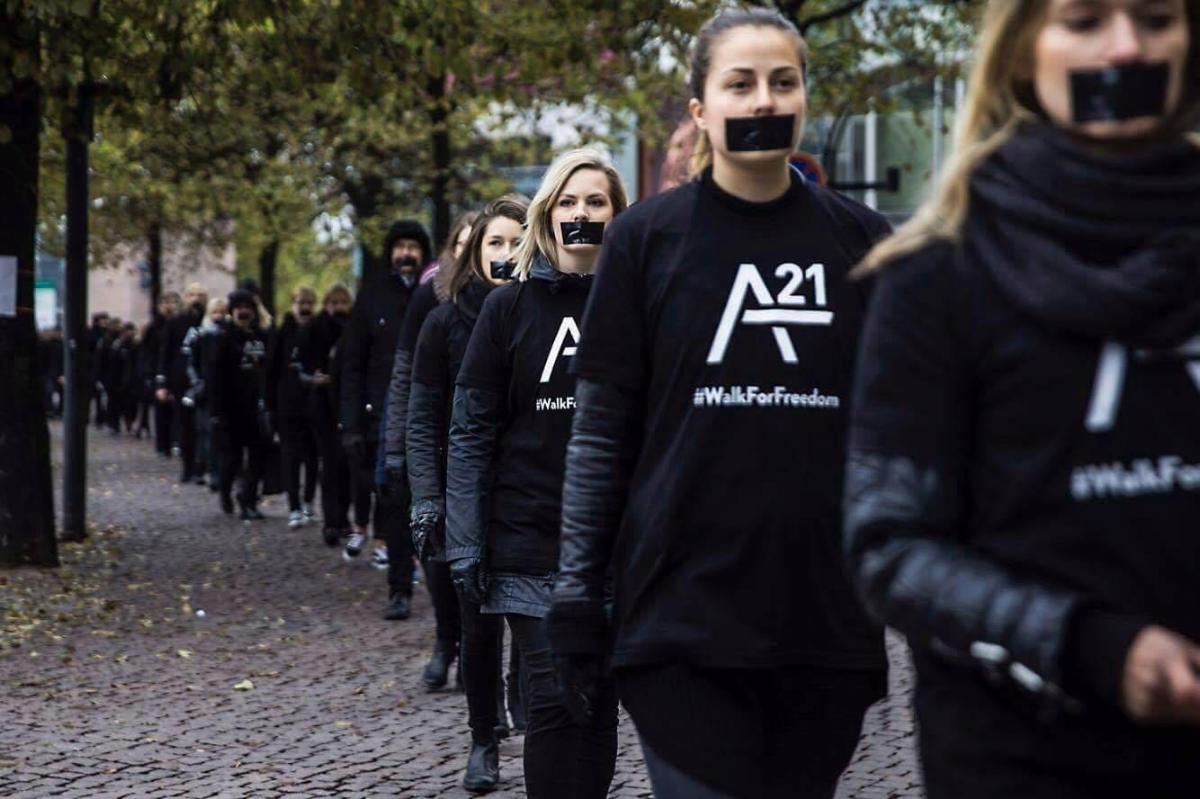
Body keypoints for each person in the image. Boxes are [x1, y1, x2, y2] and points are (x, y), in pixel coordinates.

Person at [844, 2, 1200, 798]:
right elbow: (890, 547)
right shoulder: (936, 273)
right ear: (1020, 55)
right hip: (1021, 755)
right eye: (1083, 22)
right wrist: (1089, 644)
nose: (1125, 48)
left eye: (1154, 18)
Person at [543, 10, 894, 798]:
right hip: (680, 616)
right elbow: (601, 433)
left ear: (805, 96)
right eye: (739, 82)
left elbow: (899, 431)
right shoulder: (643, 240)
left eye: (783, 81)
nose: (763, 99)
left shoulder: (866, 244)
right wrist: (575, 597)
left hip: (822, 622)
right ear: (700, 107)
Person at [446, 148, 628, 796]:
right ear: (549, 215)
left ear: (617, 215)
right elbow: (470, 431)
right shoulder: (507, 310)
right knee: (551, 693)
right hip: (528, 541)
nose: (582, 214)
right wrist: (463, 538)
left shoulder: (639, 305)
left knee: (597, 697)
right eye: (570, 202)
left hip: (616, 547)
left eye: (596, 202)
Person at [406, 197, 526, 779]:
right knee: (478, 626)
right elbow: (422, 417)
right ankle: (484, 738)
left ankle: (520, 687)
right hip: (465, 493)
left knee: (533, 618)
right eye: (494, 243)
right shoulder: (443, 320)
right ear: (475, 253)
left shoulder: (545, 311)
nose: (505, 254)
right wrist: (426, 497)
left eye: (515, 241)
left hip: (530, 489)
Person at [380, 211, 477, 623]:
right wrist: (395, 446)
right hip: (435, 437)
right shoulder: (431, 301)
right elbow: (406, 377)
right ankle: (445, 637)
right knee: (434, 541)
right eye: (464, 246)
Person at [339, 220, 430, 617]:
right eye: (400, 247)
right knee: (392, 505)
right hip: (382, 417)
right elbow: (352, 365)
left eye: (413, 246)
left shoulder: (435, 293)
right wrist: (351, 423)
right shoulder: (372, 297)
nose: (406, 254)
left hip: (429, 414)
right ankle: (399, 587)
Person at [297, 284, 353, 546]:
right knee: (330, 463)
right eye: (335, 302)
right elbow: (300, 366)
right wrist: (313, 378)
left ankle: (342, 517)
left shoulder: (353, 327)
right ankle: (332, 520)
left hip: (346, 403)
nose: (339, 307)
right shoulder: (314, 328)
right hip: (322, 404)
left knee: (346, 465)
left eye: (344, 302)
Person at [209, 289, 271, 521]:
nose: (244, 312)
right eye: (240, 308)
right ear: (232, 312)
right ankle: (226, 490)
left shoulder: (262, 337)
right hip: (231, 408)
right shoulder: (223, 338)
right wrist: (217, 411)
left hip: (256, 408)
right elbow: (215, 376)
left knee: (257, 457)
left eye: (248, 308)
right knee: (232, 458)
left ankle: (248, 500)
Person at [269, 287, 320, 528]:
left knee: (311, 457)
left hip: (314, 405)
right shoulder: (281, 334)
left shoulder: (320, 330)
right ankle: (294, 506)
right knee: (290, 457)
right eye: (301, 302)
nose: (305, 307)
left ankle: (309, 502)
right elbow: (271, 371)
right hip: (288, 406)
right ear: (293, 304)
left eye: (309, 302)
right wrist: (270, 406)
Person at [158, 283, 207, 483]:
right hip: (181, 381)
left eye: (199, 295)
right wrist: (162, 383)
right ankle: (188, 467)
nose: (195, 299)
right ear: (186, 298)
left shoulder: (210, 321)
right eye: (192, 295)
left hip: (205, 381)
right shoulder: (175, 323)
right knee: (185, 425)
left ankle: (202, 466)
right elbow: (165, 353)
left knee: (203, 425)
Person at [187, 297, 227, 490]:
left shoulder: (228, 335)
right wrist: (197, 384)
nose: (219, 316)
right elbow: (192, 364)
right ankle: (211, 471)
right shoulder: (202, 337)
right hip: (206, 391)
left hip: (223, 391)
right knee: (207, 433)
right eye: (215, 313)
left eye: (222, 312)